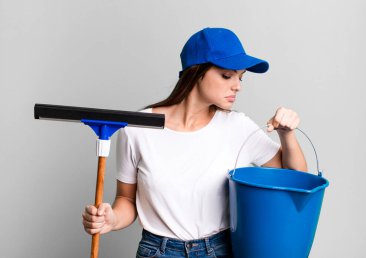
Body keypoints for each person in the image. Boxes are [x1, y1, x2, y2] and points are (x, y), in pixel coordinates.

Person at [82, 27, 307, 258]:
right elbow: (127, 199)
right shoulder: (138, 129)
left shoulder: (237, 127)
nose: (238, 85)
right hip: (158, 252)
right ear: (196, 72)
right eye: (227, 75)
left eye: (240, 77)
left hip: (220, 250)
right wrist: (111, 219)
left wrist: (287, 134)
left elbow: (297, 178)